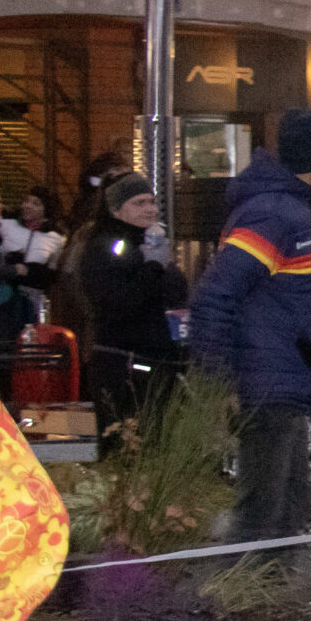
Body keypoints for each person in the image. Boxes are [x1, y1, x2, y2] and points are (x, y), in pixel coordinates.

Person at [190, 110, 311, 550]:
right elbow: (216, 294)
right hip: (267, 382)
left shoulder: (282, 210)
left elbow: (272, 295)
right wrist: (216, 379)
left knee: (287, 511)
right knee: (265, 515)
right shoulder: (277, 214)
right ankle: (244, 586)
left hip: (278, 377)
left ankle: (274, 587)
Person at [56, 172, 188, 437]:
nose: (150, 209)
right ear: (116, 210)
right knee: (126, 441)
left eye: (152, 202)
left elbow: (175, 294)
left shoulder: (147, 245)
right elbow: (117, 302)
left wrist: (164, 266)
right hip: (122, 364)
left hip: (154, 361)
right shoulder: (104, 246)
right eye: (139, 203)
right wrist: (153, 266)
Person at [0, 184, 63, 356]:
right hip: (5, 297)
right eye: (26, 201)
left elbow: (52, 273)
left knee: (29, 347)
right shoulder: (7, 226)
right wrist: (12, 268)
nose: (27, 206)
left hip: (33, 302)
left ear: (46, 209)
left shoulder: (55, 238)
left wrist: (33, 272)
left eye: (35, 203)